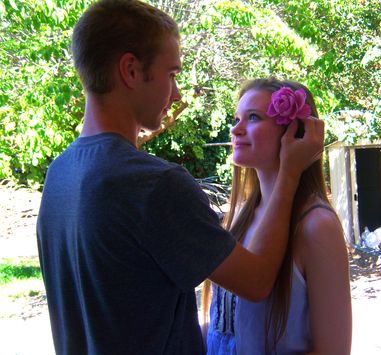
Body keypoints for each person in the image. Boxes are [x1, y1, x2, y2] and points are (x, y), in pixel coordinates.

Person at [36, 1, 324, 354]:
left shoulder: (60, 174)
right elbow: (257, 280)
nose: (176, 94)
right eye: (171, 74)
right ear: (130, 70)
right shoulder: (154, 185)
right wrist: (290, 174)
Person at [205, 79, 352, 354]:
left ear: (293, 132)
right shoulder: (239, 217)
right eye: (237, 118)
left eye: (253, 117)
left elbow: (334, 351)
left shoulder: (316, 226)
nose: (235, 129)